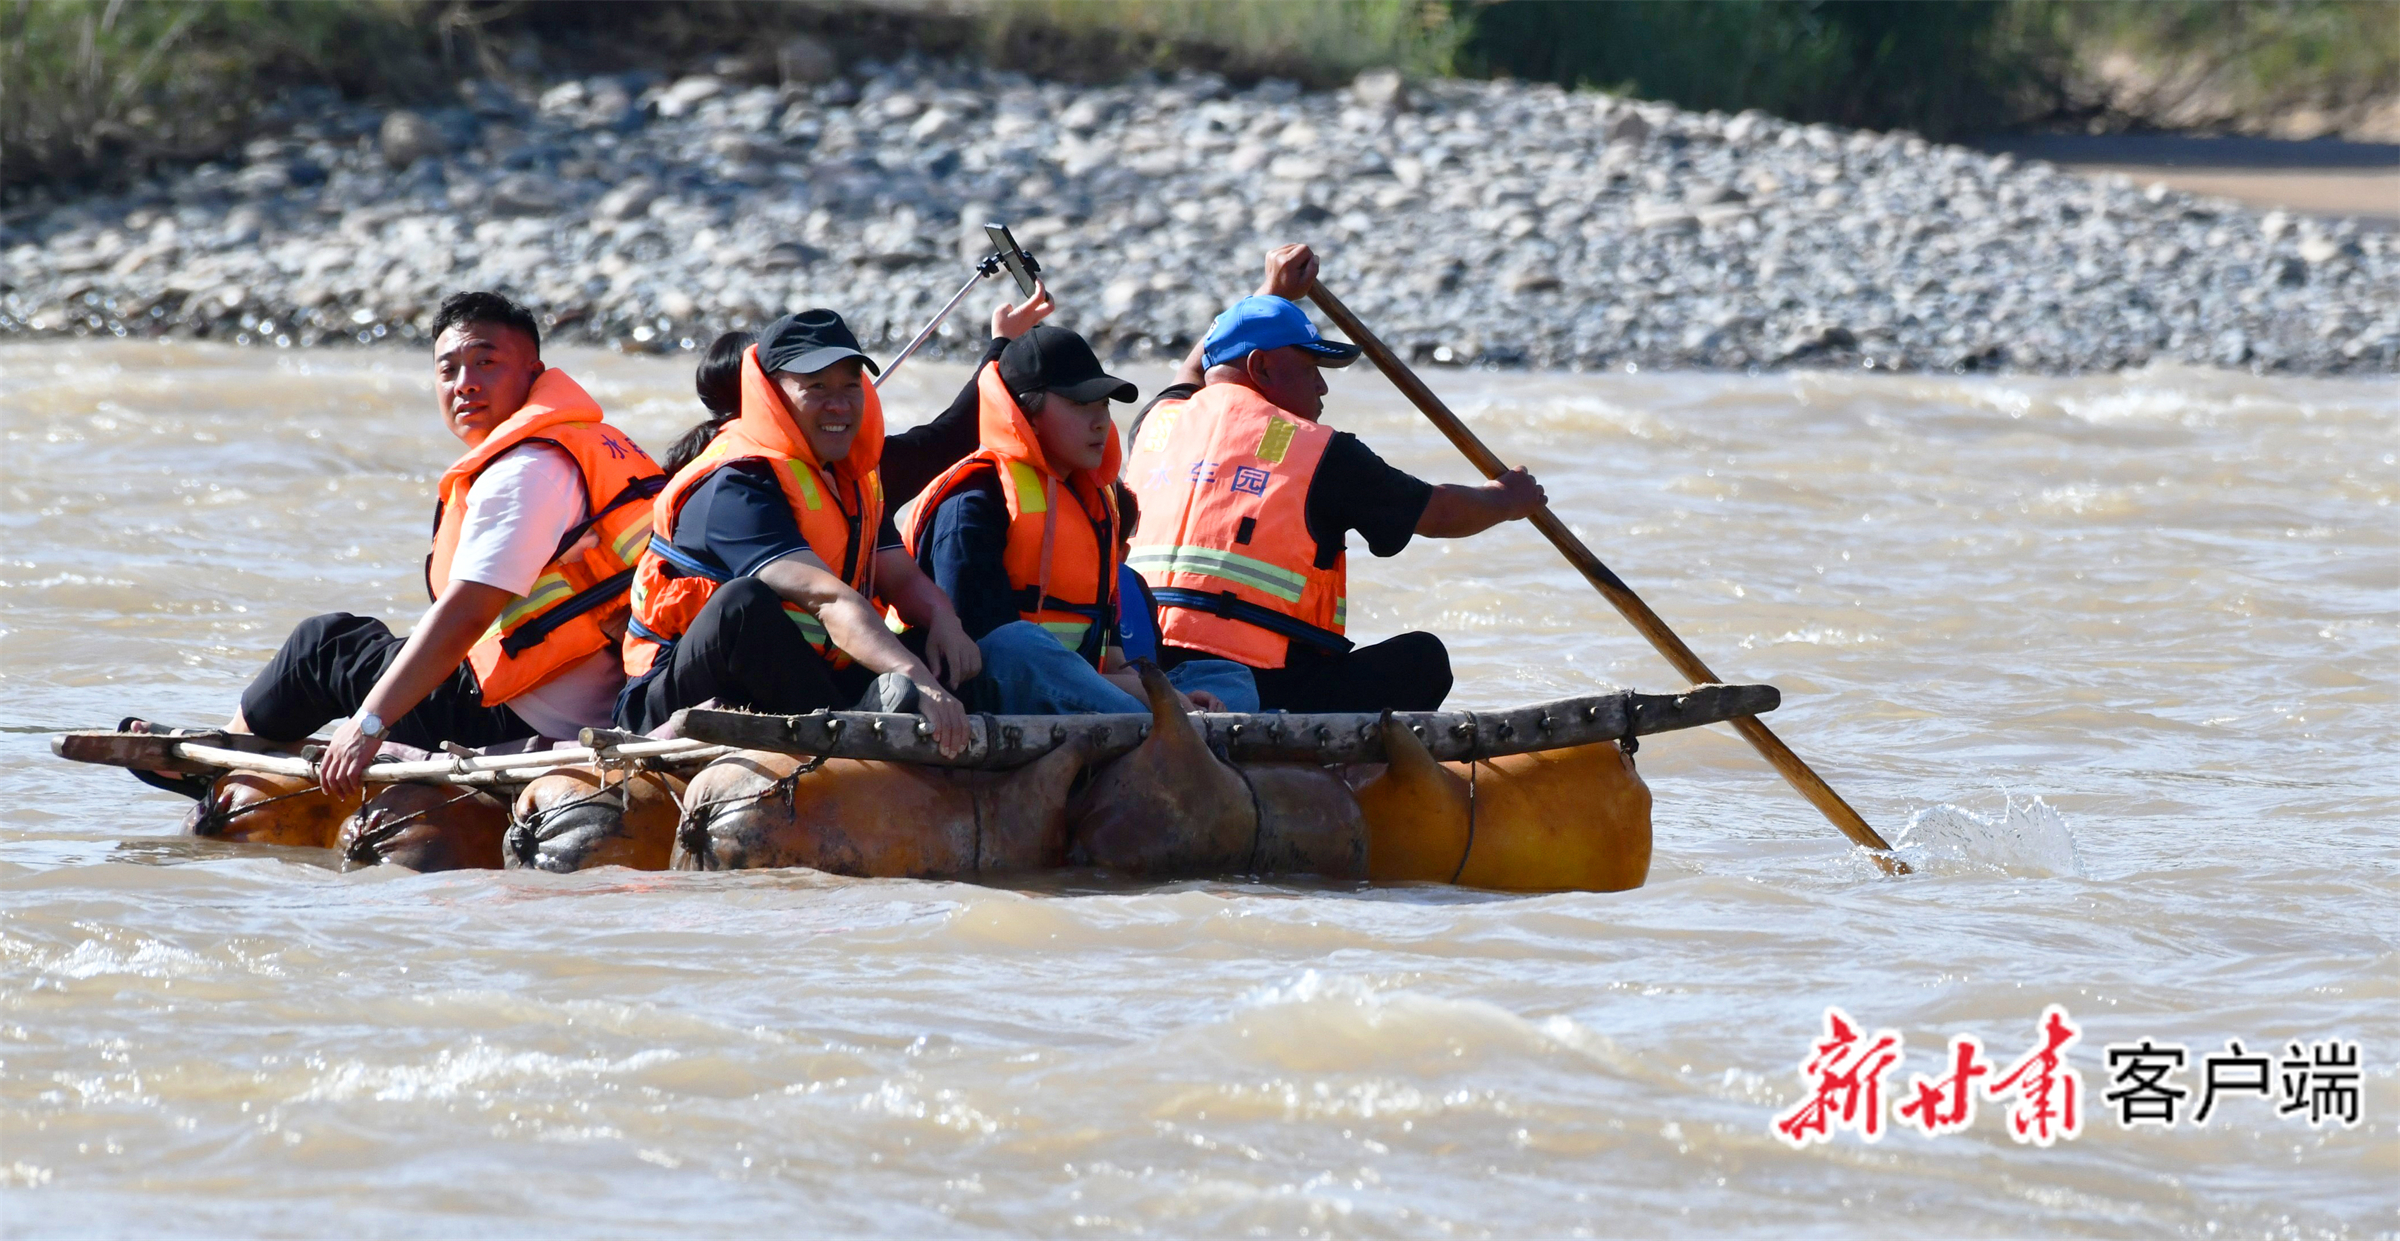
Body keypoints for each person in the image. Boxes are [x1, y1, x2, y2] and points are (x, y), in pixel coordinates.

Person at [224, 291, 665, 802]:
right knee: (379, 645)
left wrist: (369, 724)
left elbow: (468, 614)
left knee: (324, 646)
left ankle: (223, 767)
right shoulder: (591, 445)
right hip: (604, 695)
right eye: (448, 370)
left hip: (521, 714)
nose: (465, 384)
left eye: (486, 362)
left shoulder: (525, 472)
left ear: (533, 372)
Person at [1125, 244, 1547, 713]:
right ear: (1261, 367)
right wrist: (1507, 499)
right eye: (1309, 369)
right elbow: (1437, 512)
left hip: (1142, 667)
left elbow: (1195, 367)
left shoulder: (1156, 425)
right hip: (1262, 683)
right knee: (1424, 660)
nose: (1322, 386)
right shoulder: (1321, 453)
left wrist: (1269, 297)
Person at [616, 308, 985, 752]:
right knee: (743, 604)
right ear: (770, 394)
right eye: (816, 388)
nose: (839, 404)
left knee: (936, 644)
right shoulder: (734, 482)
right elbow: (826, 597)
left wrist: (945, 622)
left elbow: (901, 578)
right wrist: (916, 681)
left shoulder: (852, 480)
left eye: (851, 386)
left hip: (805, 679)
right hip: (674, 696)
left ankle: (874, 719)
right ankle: (856, 731)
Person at [900, 325, 1258, 716]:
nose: (1101, 422)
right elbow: (988, 655)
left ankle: (1166, 719)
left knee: (1228, 677)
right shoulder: (975, 498)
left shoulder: (1097, 504)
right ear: (1027, 414)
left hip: (1088, 683)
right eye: (1080, 404)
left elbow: (1111, 654)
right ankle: (1166, 724)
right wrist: (1159, 699)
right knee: (1019, 645)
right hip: (993, 688)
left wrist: (1151, 687)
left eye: (1103, 404)